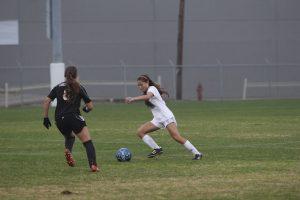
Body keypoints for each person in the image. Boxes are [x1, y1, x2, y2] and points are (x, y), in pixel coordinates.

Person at [125, 74, 203, 160]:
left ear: (147, 82)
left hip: (166, 117)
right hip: (158, 119)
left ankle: (197, 153)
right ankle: (157, 149)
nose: (140, 87)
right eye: (138, 85)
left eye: (141, 84)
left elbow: (147, 97)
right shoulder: (148, 91)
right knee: (140, 132)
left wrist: (133, 99)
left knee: (176, 137)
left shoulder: (152, 89)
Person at [42, 66, 99, 172]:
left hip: (59, 119)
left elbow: (46, 101)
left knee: (70, 137)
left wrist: (45, 117)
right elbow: (90, 106)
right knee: (87, 142)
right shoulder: (79, 87)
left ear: (65, 75)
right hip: (73, 117)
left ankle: (68, 150)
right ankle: (93, 165)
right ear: (76, 76)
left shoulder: (58, 87)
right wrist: (85, 109)